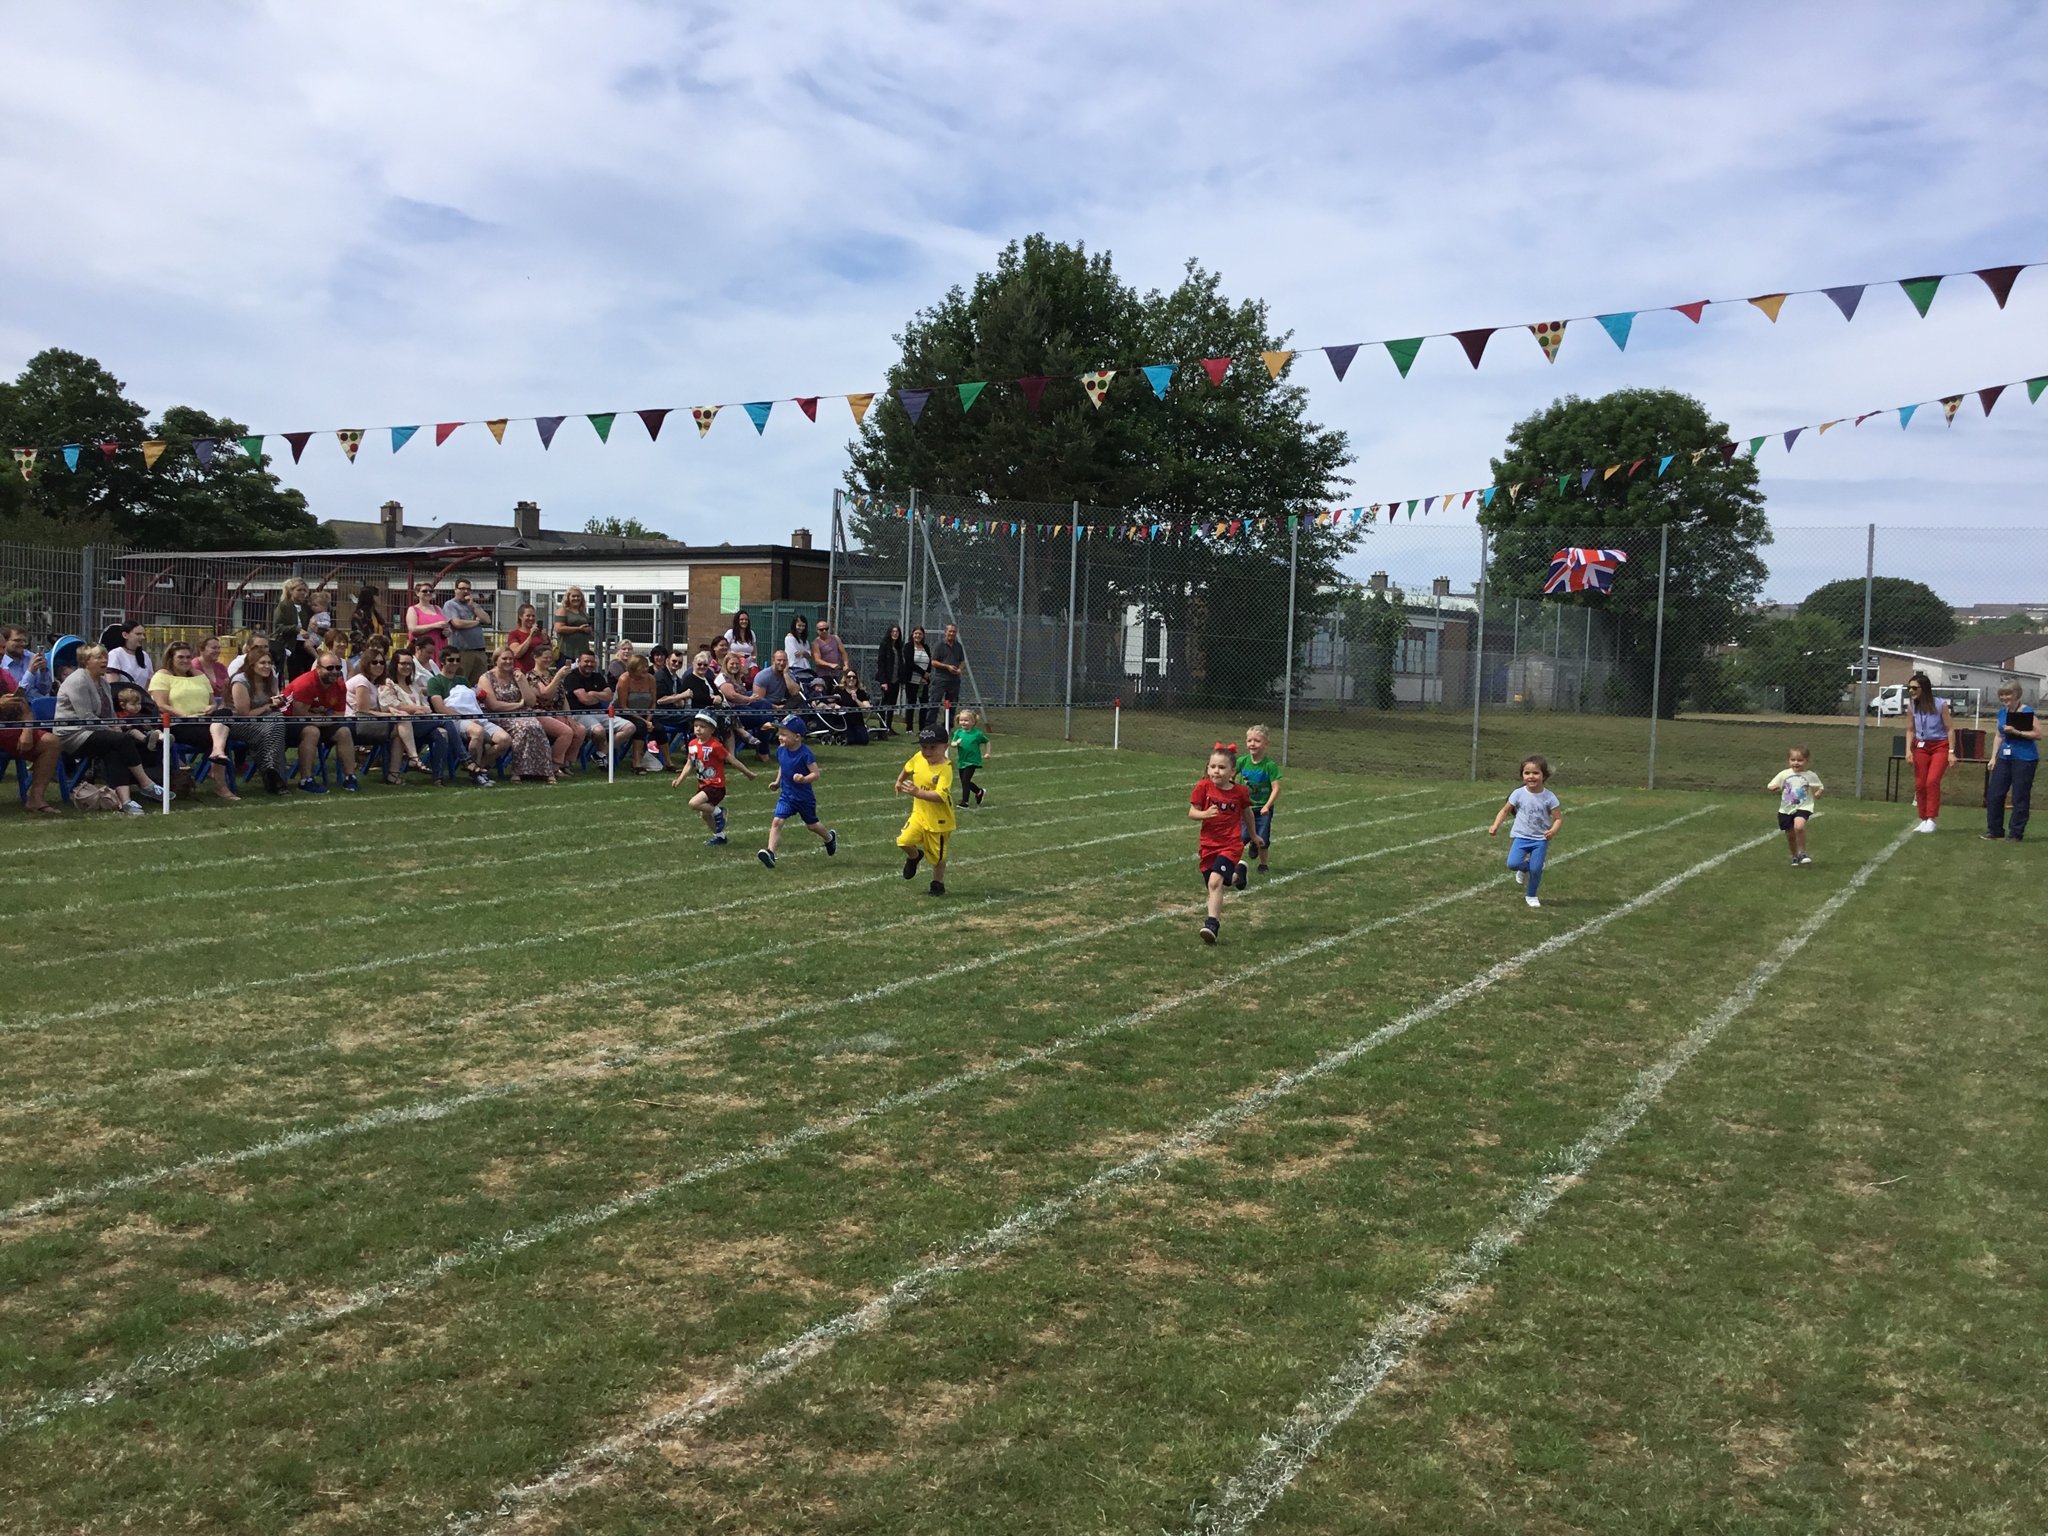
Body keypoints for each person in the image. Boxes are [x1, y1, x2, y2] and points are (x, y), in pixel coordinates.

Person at [56, 644, 171, 815]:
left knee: (116, 748)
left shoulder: (103, 681)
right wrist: (112, 728)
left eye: (105, 656)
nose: (104, 660)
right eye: (98, 657)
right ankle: (146, 783)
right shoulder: (77, 681)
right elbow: (86, 717)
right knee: (121, 740)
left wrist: (116, 725)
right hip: (74, 734)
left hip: (99, 731)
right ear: (86, 661)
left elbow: (109, 712)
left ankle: (125, 801)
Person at [148, 641, 239, 801]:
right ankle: (221, 784)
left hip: (205, 721)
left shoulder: (198, 675)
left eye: (188, 657)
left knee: (224, 712)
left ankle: (217, 752)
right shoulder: (162, 676)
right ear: (171, 658)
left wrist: (211, 708)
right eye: (180, 657)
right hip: (179, 724)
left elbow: (213, 702)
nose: (185, 660)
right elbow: (161, 705)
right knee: (221, 735)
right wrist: (184, 715)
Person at [1189, 744, 1252, 943]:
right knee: (1219, 881)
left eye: (1222, 767)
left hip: (1231, 844)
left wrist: (1254, 835)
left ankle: (1212, 925)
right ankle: (1238, 876)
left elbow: (1247, 813)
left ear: (1233, 771)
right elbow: (1191, 812)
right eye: (1213, 766)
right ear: (1207, 768)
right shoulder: (1203, 787)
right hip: (1209, 845)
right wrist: (1204, 814)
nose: (1216, 771)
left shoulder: (1240, 792)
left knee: (1215, 882)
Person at [757, 716, 835, 868]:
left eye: (784, 735)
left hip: (804, 798)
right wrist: (777, 782)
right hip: (787, 796)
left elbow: (816, 774)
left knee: (812, 826)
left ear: (797, 737)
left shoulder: (805, 754)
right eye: (779, 733)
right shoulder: (781, 750)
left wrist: (804, 779)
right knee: (777, 821)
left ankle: (829, 839)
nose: (780, 737)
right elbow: (782, 766)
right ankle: (771, 853)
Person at [1488, 755, 1563, 909]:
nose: (1531, 776)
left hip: (1540, 839)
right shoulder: (1518, 793)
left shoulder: (1549, 797)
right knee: (1512, 863)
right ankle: (1523, 869)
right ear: (1522, 775)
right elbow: (1504, 811)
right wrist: (1495, 825)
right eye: (1527, 773)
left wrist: (1553, 830)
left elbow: (1558, 818)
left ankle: (1531, 895)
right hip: (1521, 836)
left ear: (1544, 776)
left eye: (1535, 773)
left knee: (1536, 869)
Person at [280, 650, 360, 793]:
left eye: (338, 668)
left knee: (344, 731)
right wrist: (324, 718)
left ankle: (350, 777)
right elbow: (300, 715)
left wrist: (321, 718)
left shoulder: (340, 686)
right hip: (288, 721)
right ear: (318, 668)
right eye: (330, 668)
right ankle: (306, 780)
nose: (335, 672)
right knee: (312, 731)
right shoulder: (305, 683)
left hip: (320, 721)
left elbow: (339, 714)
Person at [476, 649, 556, 783]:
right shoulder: (486, 678)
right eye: (504, 659)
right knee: (523, 728)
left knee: (535, 726)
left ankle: (544, 771)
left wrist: (522, 682)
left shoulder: (517, 675)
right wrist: (518, 705)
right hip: (498, 716)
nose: (508, 662)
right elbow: (493, 705)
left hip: (522, 714)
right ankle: (518, 772)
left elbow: (531, 702)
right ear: (496, 660)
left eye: (511, 659)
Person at [676, 710, 756, 845]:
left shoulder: (715, 746)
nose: (698, 729)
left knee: (694, 803)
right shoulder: (693, 744)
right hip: (703, 784)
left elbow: (732, 760)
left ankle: (719, 812)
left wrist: (748, 773)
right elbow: (689, 764)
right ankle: (720, 836)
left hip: (715, 785)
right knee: (705, 814)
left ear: (712, 730)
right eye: (696, 726)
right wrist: (680, 779)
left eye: (703, 726)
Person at [896, 725, 957, 896]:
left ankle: (938, 883)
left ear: (945, 747)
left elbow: (940, 795)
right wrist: (899, 781)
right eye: (924, 747)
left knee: (937, 858)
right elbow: (908, 768)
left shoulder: (945, 768)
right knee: (903, 840)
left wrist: (918, 792)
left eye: (933, 747)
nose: (927, 752)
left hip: (939, 820)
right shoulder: (918, 758)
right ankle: (914, 856)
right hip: (919, 814)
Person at [344, 649, 414, 784]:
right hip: (354, 725)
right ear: (366, 664)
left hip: (366, 722)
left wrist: (390, 711)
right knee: (401, 725)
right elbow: (363, 711)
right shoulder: (361, 681)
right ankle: (411, 759)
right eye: (374, 662)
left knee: (400, 729)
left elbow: (374, 709)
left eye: (382, 662)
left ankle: (397, 771)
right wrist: (390, 714)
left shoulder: (374, 684)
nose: (379, 665)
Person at [1984, 682, 2040, 843]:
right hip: (2004, 758)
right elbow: (1999, 736)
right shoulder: (2002, 712)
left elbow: (2038, 734)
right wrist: (1993, 757)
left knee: (2020, 796)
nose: (2005, 697)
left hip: (2024, 759)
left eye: (2008, 694)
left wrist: (2017, 732)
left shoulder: (2027, 711)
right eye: (2002, 694)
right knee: (1994, 794)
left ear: (2016, 694)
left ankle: (2016, 833)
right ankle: (1994, 830)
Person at [555, 651, 632, 765]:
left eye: (592, 662)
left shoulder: (598, 676)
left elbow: (609, 696)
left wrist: (592, 693)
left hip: (600, 713)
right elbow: (584, 699)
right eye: (586, 661)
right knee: (599, 731)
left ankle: (601, 753)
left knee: (630, 727)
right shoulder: (572, 677)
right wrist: (599, 696)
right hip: (580, 714)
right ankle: (602, 758)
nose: (589, 664)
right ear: (579, 662)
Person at [230, 650, 291, 792]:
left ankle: (272, 773)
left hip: (268, 722)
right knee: (274, 729)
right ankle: (274, 776)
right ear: (252, 665)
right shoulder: (240, 681)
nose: (267, 666)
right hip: (239, 723)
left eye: (269, 663)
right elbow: (244, 714)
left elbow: (274, 705)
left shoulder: (272, 680)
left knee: (276, 721)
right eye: (262, 663)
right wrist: (267, 706)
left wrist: (278, 702)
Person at [0, 670, 60, 814]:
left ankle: (36, 800)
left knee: (50, 742)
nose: (2, 652)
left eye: (2, 648)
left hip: (8, 731)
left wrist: (27, 730)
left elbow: (24, 708)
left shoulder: (5, 675)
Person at [1903, 671, 1952, 834]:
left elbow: (1950, 729)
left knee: (1932, 781)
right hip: (1921, 746)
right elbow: (1910, 729)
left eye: (1914, 688)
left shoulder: (1940, 704)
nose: (1910, 691)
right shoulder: (1911, 706)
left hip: (1940, 745)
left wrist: (1951, 751)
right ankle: (1923, 818)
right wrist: (1908, 750)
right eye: (1908, 688)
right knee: (1920, 783)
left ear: (1924, 688)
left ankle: (1931, 818)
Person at [1767, 745, 1823, 867]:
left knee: (1799, 826)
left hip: (1803, 806)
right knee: (1790, 835)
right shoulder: (1784, 774)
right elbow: (1771, 785)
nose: (1796, 763)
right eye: (1793, 760)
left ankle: (1802, 852)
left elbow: (1819, 786)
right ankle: (1795, 856)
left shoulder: (1810, 775)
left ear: (1806, 761)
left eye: (1800, 760)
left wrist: (1818, 792)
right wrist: (1774, 787)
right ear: (1789, 760)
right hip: (1786, 808)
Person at [1239, 723, 1282, 870]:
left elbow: (1276, 788)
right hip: (1246, 808)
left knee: (1263, 838)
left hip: (1262, 808)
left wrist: (1267, 806)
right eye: (1249, 740)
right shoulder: (1242, 761)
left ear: (1266, 744)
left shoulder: (1269, 766)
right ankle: (1233, 862)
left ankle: (1263, 865)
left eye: (1257, 741)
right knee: (1241, 837)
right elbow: (1230, 776)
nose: (1252, 744)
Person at [614, 653, 663, 772]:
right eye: (642, 667)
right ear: (633, 668)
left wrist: (649, 720)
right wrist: (645, 721)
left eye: (646, 666)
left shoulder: (651, 679)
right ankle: (636, 762)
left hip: (645, 713)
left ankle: (668, 761)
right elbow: (623, 706)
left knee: (660, 728)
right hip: (625, 713)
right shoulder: (624, 679)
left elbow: (653, 703)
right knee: (640, 726)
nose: (646, 669)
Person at [442, 577, 490, 684]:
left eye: (468, 589)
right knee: (463, 681)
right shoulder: (451, 605)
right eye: (462, 588)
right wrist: (477, 622)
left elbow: (487, 619)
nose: (465, 591)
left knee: (480, 683)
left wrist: (473, 606)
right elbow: (457, 623)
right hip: (463, 651)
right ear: (455, 589)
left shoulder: (473, 605)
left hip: (480, 650)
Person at [272, 578, 316, 681]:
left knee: (308, 670)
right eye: (299, 590)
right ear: (291, 591)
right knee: (294, 672)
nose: (302, 593)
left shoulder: (306, 607)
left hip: (305, 644)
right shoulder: (284, 606)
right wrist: (296, 629)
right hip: (290, 644)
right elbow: (279, 626)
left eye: (304, 590)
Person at [404, 580, 450, 666]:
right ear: (417, 593)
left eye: (431, 591)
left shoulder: (438, 608)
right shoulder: (413, 609)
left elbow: (446, 626)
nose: (428, 593)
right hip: (423, 648)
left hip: (439, 646)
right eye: (424, 591)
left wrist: (447, 632)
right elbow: (413, 629)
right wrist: (435, 625)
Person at [950, 706, 988, 806]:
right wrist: (956, 743)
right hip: (962, 760)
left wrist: (987, 753)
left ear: (973, 722)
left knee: (965, 781)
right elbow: (952, 744)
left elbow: (987, 741)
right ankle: (979, 792)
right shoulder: (958, 733)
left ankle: (964, 802)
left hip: (972, 761)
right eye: (961, 720)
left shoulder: (977, 734)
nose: (963, 722)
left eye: (966, 720)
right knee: (964, 781)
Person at [929, 622, 965, 728]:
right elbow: (933, 662)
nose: (952, 634)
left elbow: (962, 661)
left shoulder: (958, 646)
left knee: (951, 704)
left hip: (954, 680)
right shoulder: (939, 645)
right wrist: (947, 667)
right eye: (950, 631)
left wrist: (959, 670)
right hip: (940, 679)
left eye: (954, 632)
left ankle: (948, 726)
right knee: (935, 702)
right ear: (945, 632)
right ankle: (931, 726)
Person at [105, 621, 153, 690]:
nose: (142, 637)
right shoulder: (115, 654)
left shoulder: (145, 656)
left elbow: (149, 680)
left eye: (143, 634)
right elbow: (112, 685)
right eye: (138, 634)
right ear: (125, 635)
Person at [552, 586, 595, 662]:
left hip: (583, 653)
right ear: (568, 598)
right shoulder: (562, 611)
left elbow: (590, 632)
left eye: (578, 596)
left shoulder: (584, 613)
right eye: (573, 596)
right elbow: (558, 629)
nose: (576, 598)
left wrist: (589, 631)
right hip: (566, 652)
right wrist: (579, 629)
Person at [506, 602, 550, 675]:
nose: (531, 618)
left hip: (539, 674)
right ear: (520, 616)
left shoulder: (540, 634)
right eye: (528, 616)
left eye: (533, 616)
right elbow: (517, 653)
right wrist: (530, 637)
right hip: (521, 673)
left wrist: (545, 641)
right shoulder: (514, 634)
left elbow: (550, 655)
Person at [906, 625, 932, 730]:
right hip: (912, 680)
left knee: (924, 704)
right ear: (912, 635)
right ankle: (909, 728)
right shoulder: (908, 646)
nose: (918, 635)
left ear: (923, 635)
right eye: (916, 633)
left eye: (920, 634)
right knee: (911, 703)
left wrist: (926, 676)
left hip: (923, 682)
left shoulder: (926, 647)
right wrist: (922, 673)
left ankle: (922, 728)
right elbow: (909, 663)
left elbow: (929, 662)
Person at [349, 584, 390, 652]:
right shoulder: (359, 615)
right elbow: (358, 636)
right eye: (377, 595)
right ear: (370, 597)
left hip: (379, 651)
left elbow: (385, 633)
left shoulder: (376, 615)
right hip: (364, 653)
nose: (380, 597)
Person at [193, 635, 232, 706]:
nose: (218, 651)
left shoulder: (221, 667)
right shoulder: (193, 667)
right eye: (214, 648)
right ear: (201, 649)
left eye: (219, 648)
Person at [811, 616, 846, 687]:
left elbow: (843, 653)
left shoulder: (835, 638)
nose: (824, 631)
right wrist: (830, 665)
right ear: (817, 631)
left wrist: (846, 665)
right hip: (823, 675)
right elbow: (817, 660)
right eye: (821, 629)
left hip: (836, 673)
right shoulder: (816, 643)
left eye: (826, 629)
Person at [783, 614, 814, 688]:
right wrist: (804, 653)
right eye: (799, 625)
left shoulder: (805, 641)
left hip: (805, 669)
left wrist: (803, 653)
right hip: (794, 668)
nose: (801, 628)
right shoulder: (789, 638)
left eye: (803, 626)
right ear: (794, 625)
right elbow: (796, 653)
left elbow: (809, 654)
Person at [0, 625, 33, 692]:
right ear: (6, 641)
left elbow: (15, 694)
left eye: (3, 647)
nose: (23, 644)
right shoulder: (3, 665)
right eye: (17, 640)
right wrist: (31, 671)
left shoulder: (4, 674)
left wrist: (43, 671)